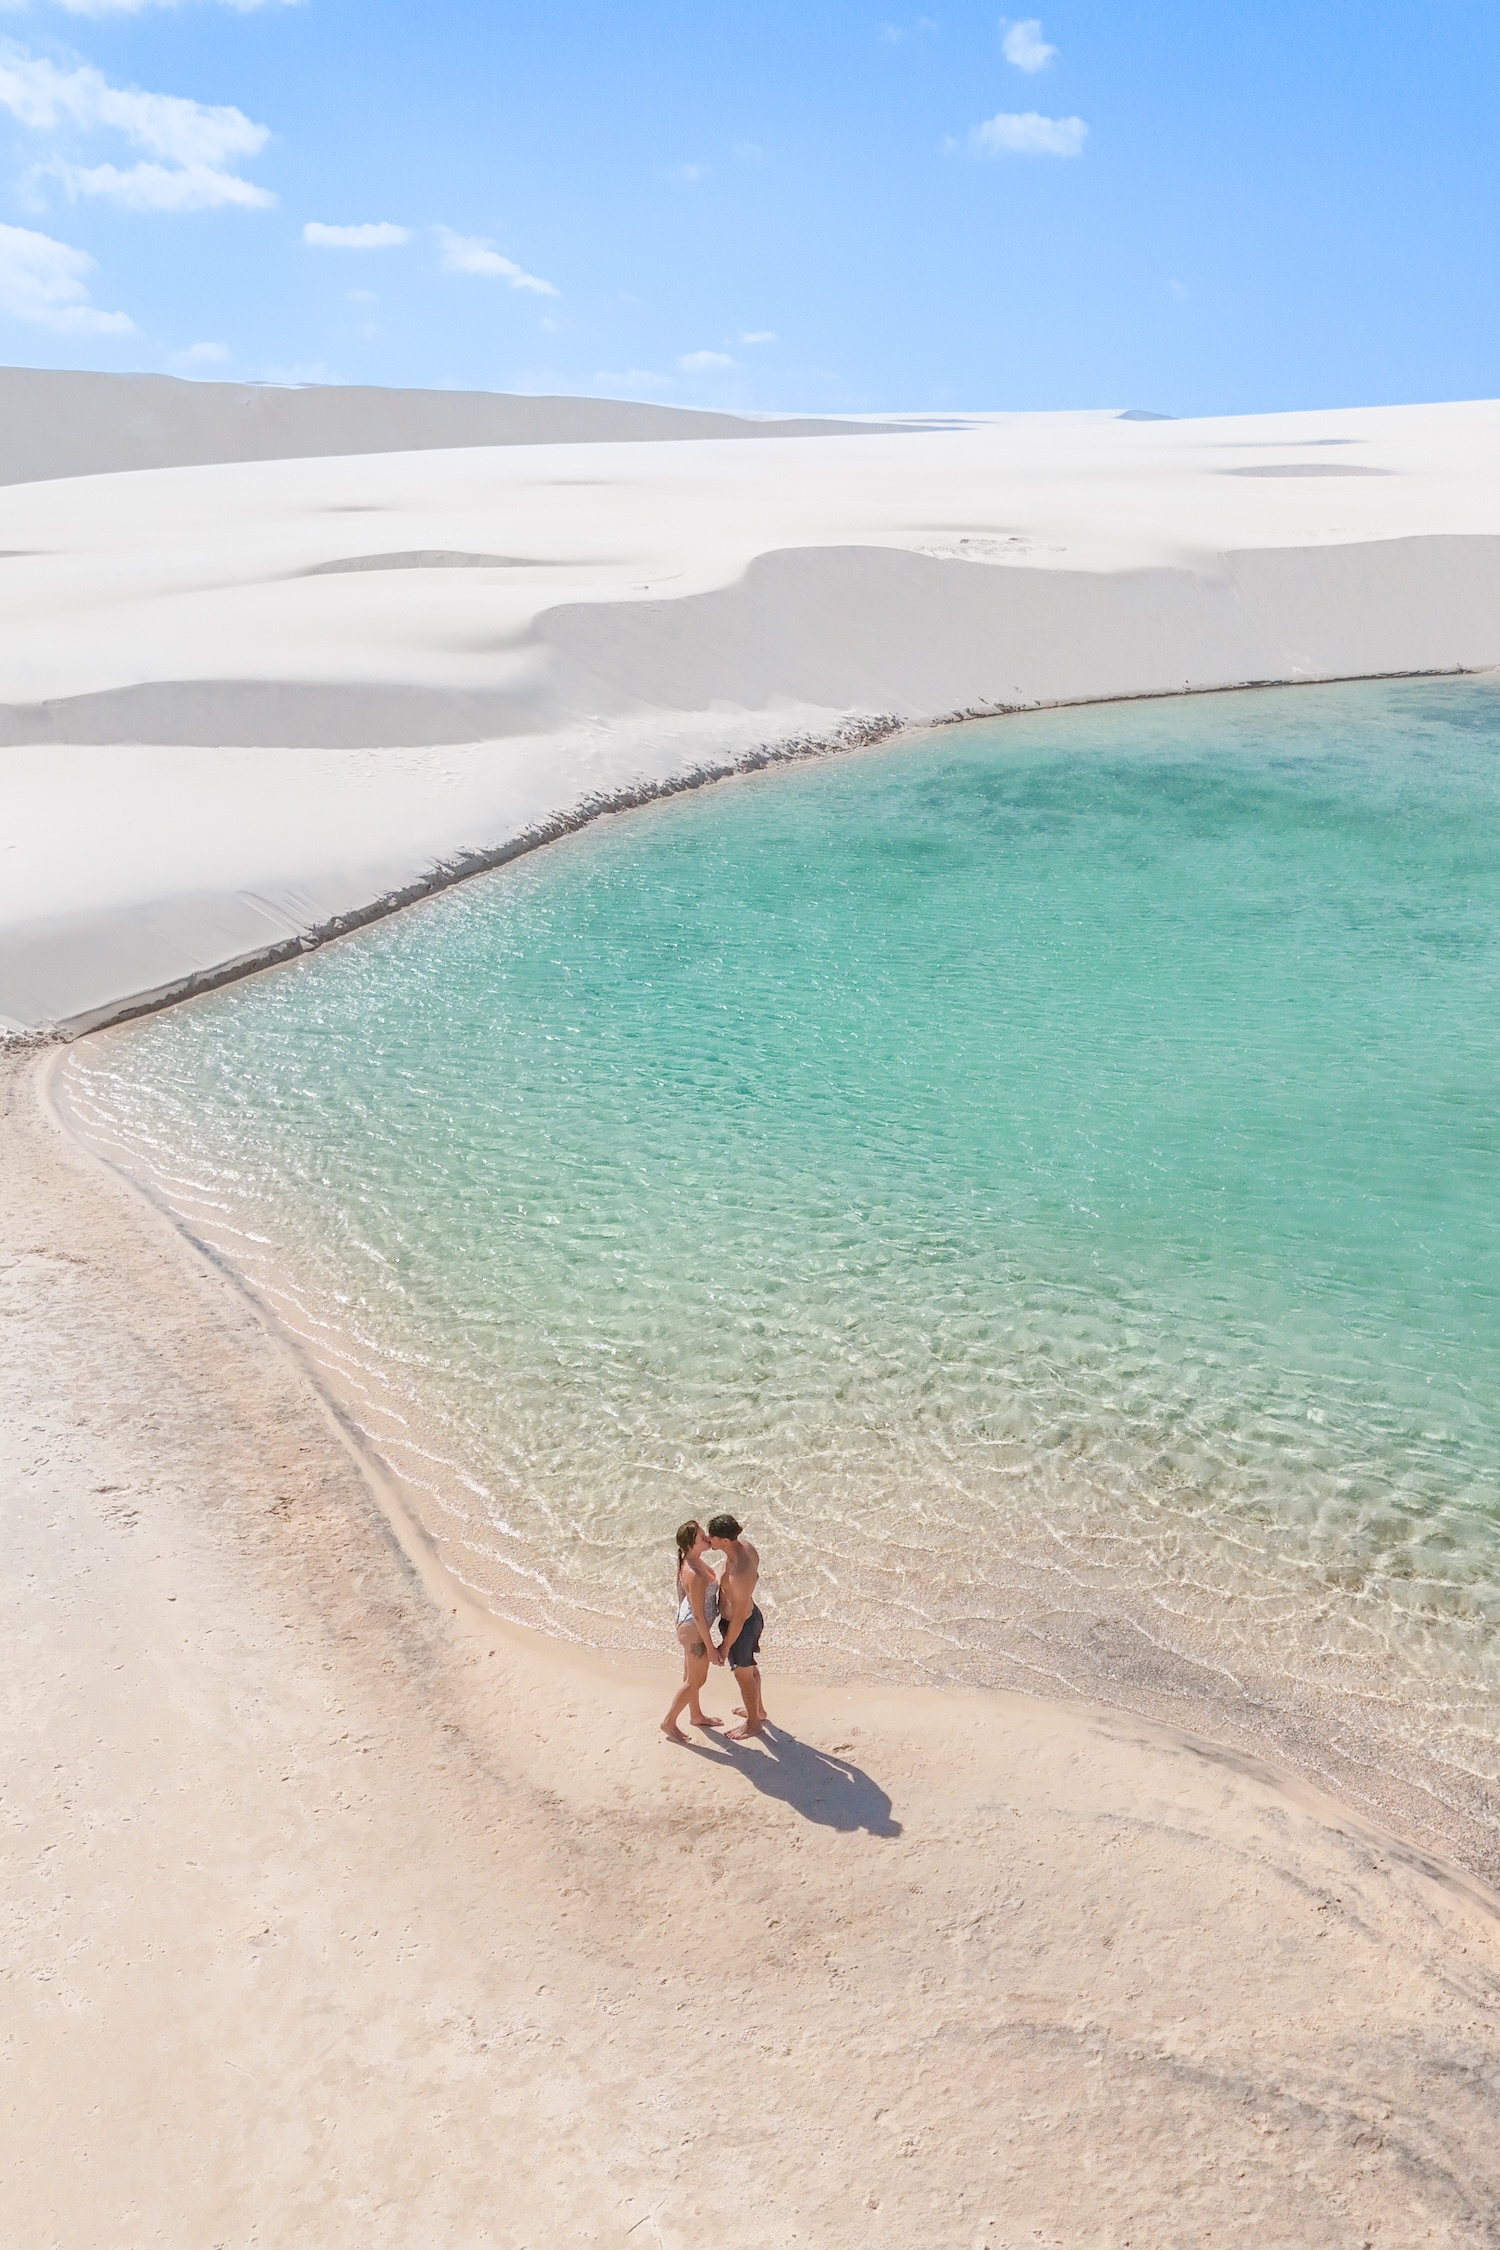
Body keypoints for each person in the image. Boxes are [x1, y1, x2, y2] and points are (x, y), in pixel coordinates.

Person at [660, 1520, 725, 1742]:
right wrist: (711, 1647)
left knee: (690, 1677)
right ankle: (669, 1722)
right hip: (694, 1629)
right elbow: (698, 1615)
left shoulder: (690, 1561)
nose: (707, 1538)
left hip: (687, 1625)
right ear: (690, 1544)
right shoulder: (695, 1573)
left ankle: (696, 1715)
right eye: (701, 1537)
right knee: (696, 1681)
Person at [706, 1513, 765, 1740]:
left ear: (725, 1541)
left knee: (743, 1675)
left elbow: (739, 1616)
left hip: (741, 1626)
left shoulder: (738, 1572)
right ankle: (758, 1710)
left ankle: (753, 1724)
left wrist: (724, 1646)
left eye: (713, 1536)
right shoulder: (743, 1547)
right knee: (749, 1669)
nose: (709, 1538)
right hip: (748, 1617)